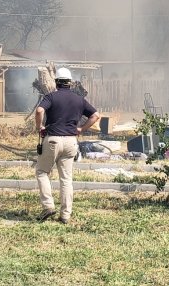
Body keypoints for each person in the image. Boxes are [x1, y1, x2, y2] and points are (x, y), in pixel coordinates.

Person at [34, 67, 100, 224]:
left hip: (53, 140)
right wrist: (81, 129)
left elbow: (39, 110)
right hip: (71, 142)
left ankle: (48, 206)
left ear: (56, 82)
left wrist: (39, 128)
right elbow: (96, 115)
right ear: (70, 83)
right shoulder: (79, 99)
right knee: (66, 179)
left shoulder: (51, 97)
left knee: (42, 172)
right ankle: (65, 215)